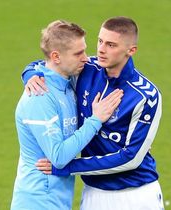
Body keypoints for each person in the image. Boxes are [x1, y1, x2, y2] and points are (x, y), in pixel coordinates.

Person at [23, 16, 164, 210]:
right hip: (93, 194)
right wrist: (30, 74)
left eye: (111, 45)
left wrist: (68, 167)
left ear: (131, 50)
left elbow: (131, 157)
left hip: (136, 194)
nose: (101, 49)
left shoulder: (145, 96)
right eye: (100, 41)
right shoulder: (86, 69)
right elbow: (50, 61)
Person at [10, 20, 123, 210]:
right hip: (37, 201)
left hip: (57, 198)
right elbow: (59, 157)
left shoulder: (68, 82)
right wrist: (95, 120)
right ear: (56, 56)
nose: (86, 58)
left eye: (85, 50)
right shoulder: (40, 96)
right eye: (78, 53)